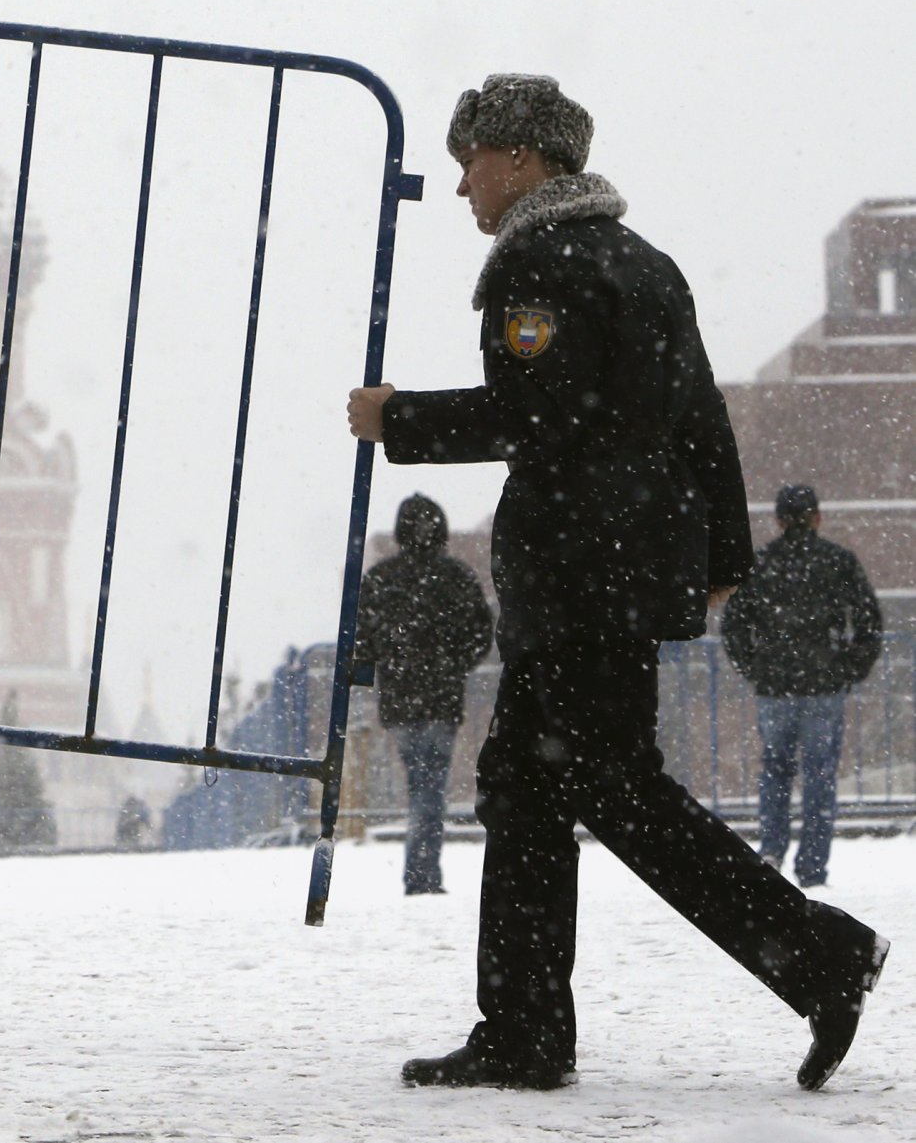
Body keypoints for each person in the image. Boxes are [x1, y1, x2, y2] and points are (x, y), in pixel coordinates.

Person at [349, 74, 890, 1093]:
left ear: (520, 158)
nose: (463, 182)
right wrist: (722, 558)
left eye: (472, 158)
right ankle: (522, 1028)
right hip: (618, 571)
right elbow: (700, 419)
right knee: (527, 783)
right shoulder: (644, 263)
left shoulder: (539, 263)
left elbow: (533, 416)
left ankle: (815, 955)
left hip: (575, 573)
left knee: (608, 786)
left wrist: (399, 421)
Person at [722, 484, 885, 889]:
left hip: (775, 685)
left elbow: (734, 625)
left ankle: (772, 849)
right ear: (817, 517)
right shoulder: (837, 561)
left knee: (775, 771)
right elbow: (868, 620)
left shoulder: (760, 564)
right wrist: (849, 668)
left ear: (778, 520)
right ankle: (812, 867)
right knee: (820, 776)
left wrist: (754, 666)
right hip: (824, 684)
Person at [353, 493, 494, 894]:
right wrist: (453, 665)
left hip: (400, 701)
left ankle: (420, 870)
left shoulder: (381, 579)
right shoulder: (456, 577)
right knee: (431, 784)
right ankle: (423, 873)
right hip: (443, 698)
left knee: (420, 782)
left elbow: (363, 639)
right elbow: (481, 632)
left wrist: (390, 665)